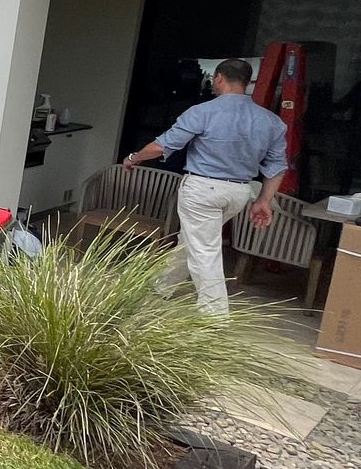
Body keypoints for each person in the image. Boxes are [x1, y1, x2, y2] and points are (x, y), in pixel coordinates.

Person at [121, 57, 289, 314]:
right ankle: (159, 286)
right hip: (239, 192)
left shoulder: (203, 112)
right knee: (192, 240)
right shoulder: (271, 121)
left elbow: (161, 146)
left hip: (202, 189)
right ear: (246, 82)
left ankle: (214, 316)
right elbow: (277, 167)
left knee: (204, 250)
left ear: (219, 78)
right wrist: (264, 200)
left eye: (214, 79)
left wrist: (133, 158)